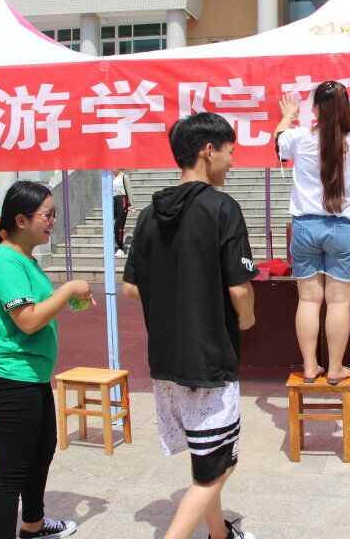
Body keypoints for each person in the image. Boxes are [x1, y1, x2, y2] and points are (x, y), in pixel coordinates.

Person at [123, 112, 258, 539]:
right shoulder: (221, 207)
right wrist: (247, 318)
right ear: (208, 150)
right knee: (220, 464)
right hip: (210, 359)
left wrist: (174, 307)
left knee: (206, 458)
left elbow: (131, 287)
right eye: (230, 152)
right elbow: (240, 290)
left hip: (166, 359)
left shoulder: (149, 214)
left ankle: (220, 533)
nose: (232, 162)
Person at [0, 180, 94, 539]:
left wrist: (66, 299)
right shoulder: (5, 261)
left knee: (40, 452)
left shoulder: (24, 258)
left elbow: (38, 307)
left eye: (54, 213)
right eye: (47, 214)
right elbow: (27, 320)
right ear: (21, 219)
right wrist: (68, 289)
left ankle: (33, 525)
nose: (53, 221)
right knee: (7, 477)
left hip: (31, 376)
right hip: (11, 379)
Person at [276, 81, 350, 384]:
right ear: (346, 108)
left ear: (315, 109)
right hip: (344, 227)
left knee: (308, 300)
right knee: (338, 302)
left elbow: (279, 141)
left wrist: (288, 115)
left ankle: (309, 366)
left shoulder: (299, 137)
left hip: (305, 226)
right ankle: (335, 368)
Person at [112, 169, 137, 257]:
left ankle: (120, 249)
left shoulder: (124, 177)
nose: (112, 169)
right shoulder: (111, 178)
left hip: (122, 201)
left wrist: (133, 206)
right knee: (112, 226)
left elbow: (129, 191)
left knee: (118, 226)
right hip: (113, 202)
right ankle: (123, 233)